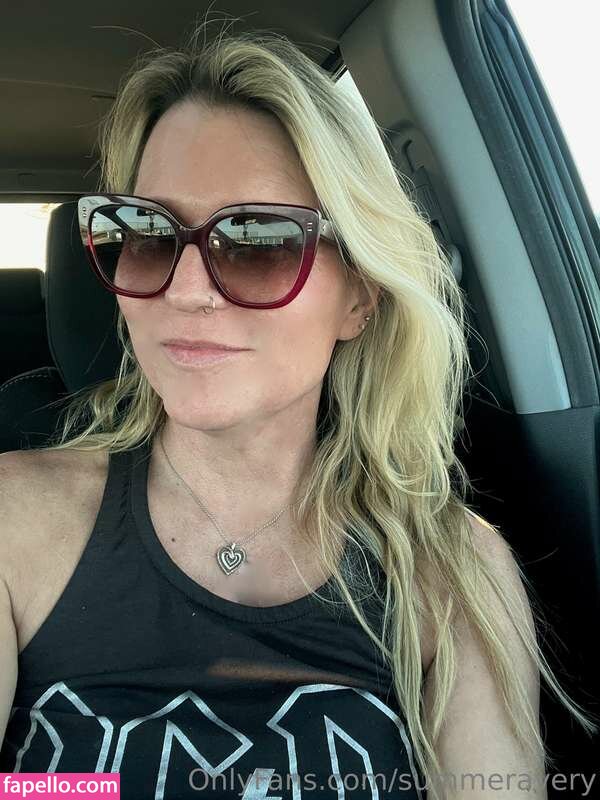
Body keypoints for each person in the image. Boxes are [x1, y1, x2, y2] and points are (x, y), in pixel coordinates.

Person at [0, 23, 597, 800]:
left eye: (257, 240)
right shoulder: (15, 521)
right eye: (147, 234)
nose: (185, 291)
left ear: (359, 296)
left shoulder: (453, 573)